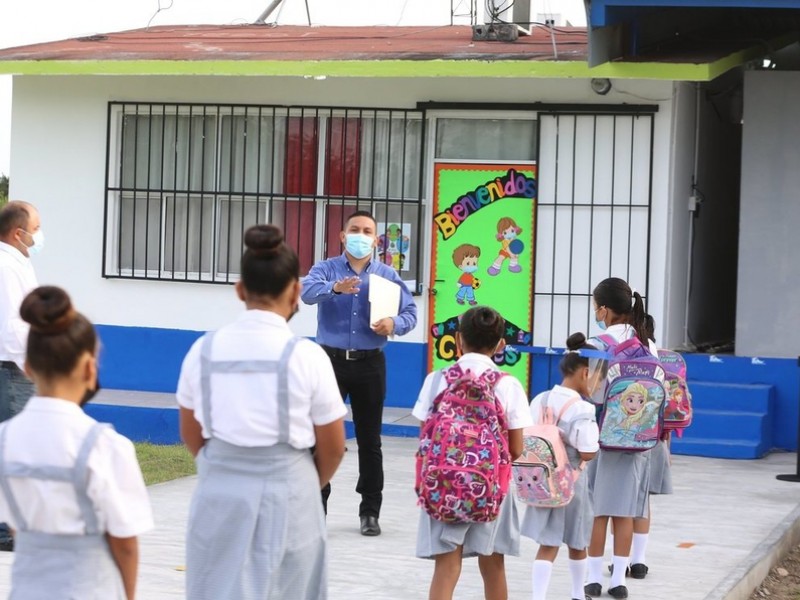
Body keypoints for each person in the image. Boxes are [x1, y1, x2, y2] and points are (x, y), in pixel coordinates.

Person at [177, 224, 347, 600]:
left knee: (216, 587)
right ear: (295, 291)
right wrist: (300, 482)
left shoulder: (202, 351)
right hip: (290, 492)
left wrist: (224, 465)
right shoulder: (307, 357)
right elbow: (333, 447)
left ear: (240, 290)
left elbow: (191, 433)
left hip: (219, 490)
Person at [0, 285, 153, 599]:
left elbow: (15, 524)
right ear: (89, 368)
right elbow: (125, 543)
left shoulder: (5, 439)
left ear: (27, 368)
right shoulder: (106, 445)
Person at [301, 210, 418, 536]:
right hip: (329, 362)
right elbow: (306, 293)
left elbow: (410, 313)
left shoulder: (387, 275)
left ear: (376, 239)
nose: (361, 235)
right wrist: (335, 289)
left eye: (367, 231)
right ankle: (316, 507)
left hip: (370, 363)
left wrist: (394, 323)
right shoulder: (324, 270)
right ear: (342, 235)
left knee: (370, 440)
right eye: (355, 229)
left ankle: (370, 511)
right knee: (319, 436)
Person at [413, 306, 532, 600]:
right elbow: (516, 448)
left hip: (443, 486)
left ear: (458, 338)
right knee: (493, 566)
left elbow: (425, 437)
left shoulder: (436, 380)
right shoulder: (508, 385)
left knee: (446, 567)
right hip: (492, 489)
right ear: (501, 345)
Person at [584, 277, 658, 600]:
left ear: (604, 309)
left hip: (603, 436)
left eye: (595, 307)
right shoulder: (648, 342)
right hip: (639, 439)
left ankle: (591, 579)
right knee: (626, 510)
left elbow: (593, 392)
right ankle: (619, 581)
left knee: (598, 510)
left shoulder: (597, 343)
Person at [522, 333, 601, 600]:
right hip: (572, 484)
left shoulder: (540, 399)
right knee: (578, 543)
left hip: (541, 481)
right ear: (585, 373)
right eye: (598, 376)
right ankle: (578, 594)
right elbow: (587, 451)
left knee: (548, 543)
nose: (599, 381)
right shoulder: (582, 409)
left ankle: (538, 596)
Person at [0, 201, 43, 551]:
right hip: (12, 368)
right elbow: (12, 327)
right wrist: (30, 363)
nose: (40, 236)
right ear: (18, 233)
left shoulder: (17, 262)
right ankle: (6, 529)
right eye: (37, 228)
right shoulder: (5, 266)